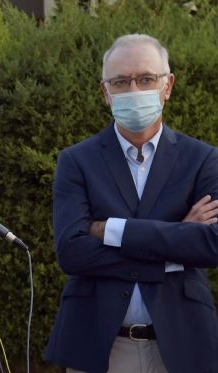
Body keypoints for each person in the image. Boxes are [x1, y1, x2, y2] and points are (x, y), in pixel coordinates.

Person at [44, 34, 218, 373]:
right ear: (105, 92)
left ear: (168, 86)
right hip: (99, 346)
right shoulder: (77, 161)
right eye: (121, 82)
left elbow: (212, 244)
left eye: (146, 79)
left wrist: (112, 230)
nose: (134, 90)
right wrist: (178, 239)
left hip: (182, 344)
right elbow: (71, 252)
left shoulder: (203, 159)